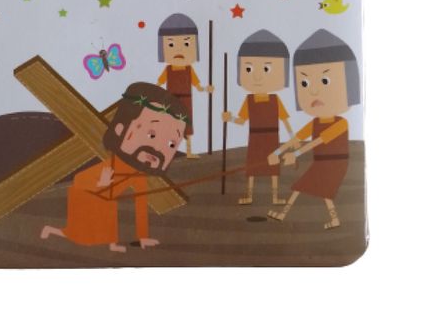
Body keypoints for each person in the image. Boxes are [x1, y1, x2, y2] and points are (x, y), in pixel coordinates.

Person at [40, 82, 187, 253]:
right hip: (84, 193)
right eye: (151, 134)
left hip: (105, 195)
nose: (159, 148)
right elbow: (80, 180)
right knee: (81, 235)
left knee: (109, 208)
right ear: (119, 129)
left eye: (171, 144)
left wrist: (142, 236)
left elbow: (140, 204)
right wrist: (100, 184)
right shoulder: (114, 164)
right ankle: (51, 230)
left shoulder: (138, 173)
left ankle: (111, 242)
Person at [266, 29, 360, 227]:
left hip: (335, 162)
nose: (314, 90)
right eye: (304, 83)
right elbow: (298, 138)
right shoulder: (315, 122)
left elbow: (319, 140)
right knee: (302, 186)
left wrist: (295, 154)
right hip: (320, 162)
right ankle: (289, 215)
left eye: (325, 81)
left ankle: (332, 218)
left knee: (322, 190)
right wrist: (277, 152)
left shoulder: (341, 123)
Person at [222, 30, 294, 205]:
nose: (257, 76)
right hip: (255, 138)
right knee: (252, 167)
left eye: (267, 69)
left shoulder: (275, 100)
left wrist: (293, 137)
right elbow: (241, 121)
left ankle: (275, 197)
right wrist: (230, 118)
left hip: (271, 137)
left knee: (273, 168)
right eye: (249, 69)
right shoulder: (249, 100)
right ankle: (250, 196)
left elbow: (285, 120)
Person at [156, 13, 214, 159]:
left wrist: (206, 89)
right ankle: (167, 151)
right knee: (170, 126)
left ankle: (188, 151)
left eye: (186, 44)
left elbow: (198, 86)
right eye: (171, 44)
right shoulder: (168, 70)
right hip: (171, 101)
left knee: (186, 127)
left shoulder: (189, 70)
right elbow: (158, 84)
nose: (179, 50)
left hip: (186, 101)